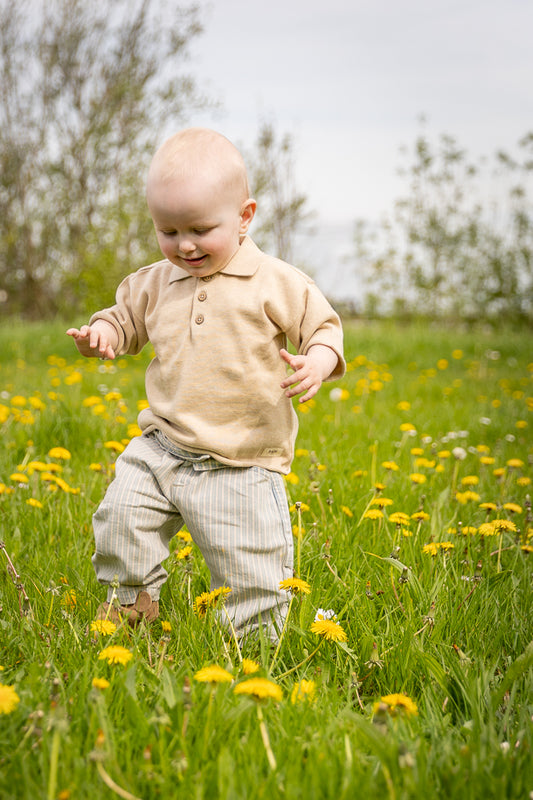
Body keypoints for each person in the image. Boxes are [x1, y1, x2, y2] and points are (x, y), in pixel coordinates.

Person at [67, 127, 345, 638]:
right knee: (120, 520)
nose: (184, 245)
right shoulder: (154, 281)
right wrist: (102, 333)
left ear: (244, 218)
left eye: (198, 229)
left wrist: (319, 361)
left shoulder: (277, 282)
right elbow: (124, 318)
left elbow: (323, 327)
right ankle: (133, 605)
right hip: (162, 447)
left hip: (242, 458)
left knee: (251, 568)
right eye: (168, 231)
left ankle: (255, 647)